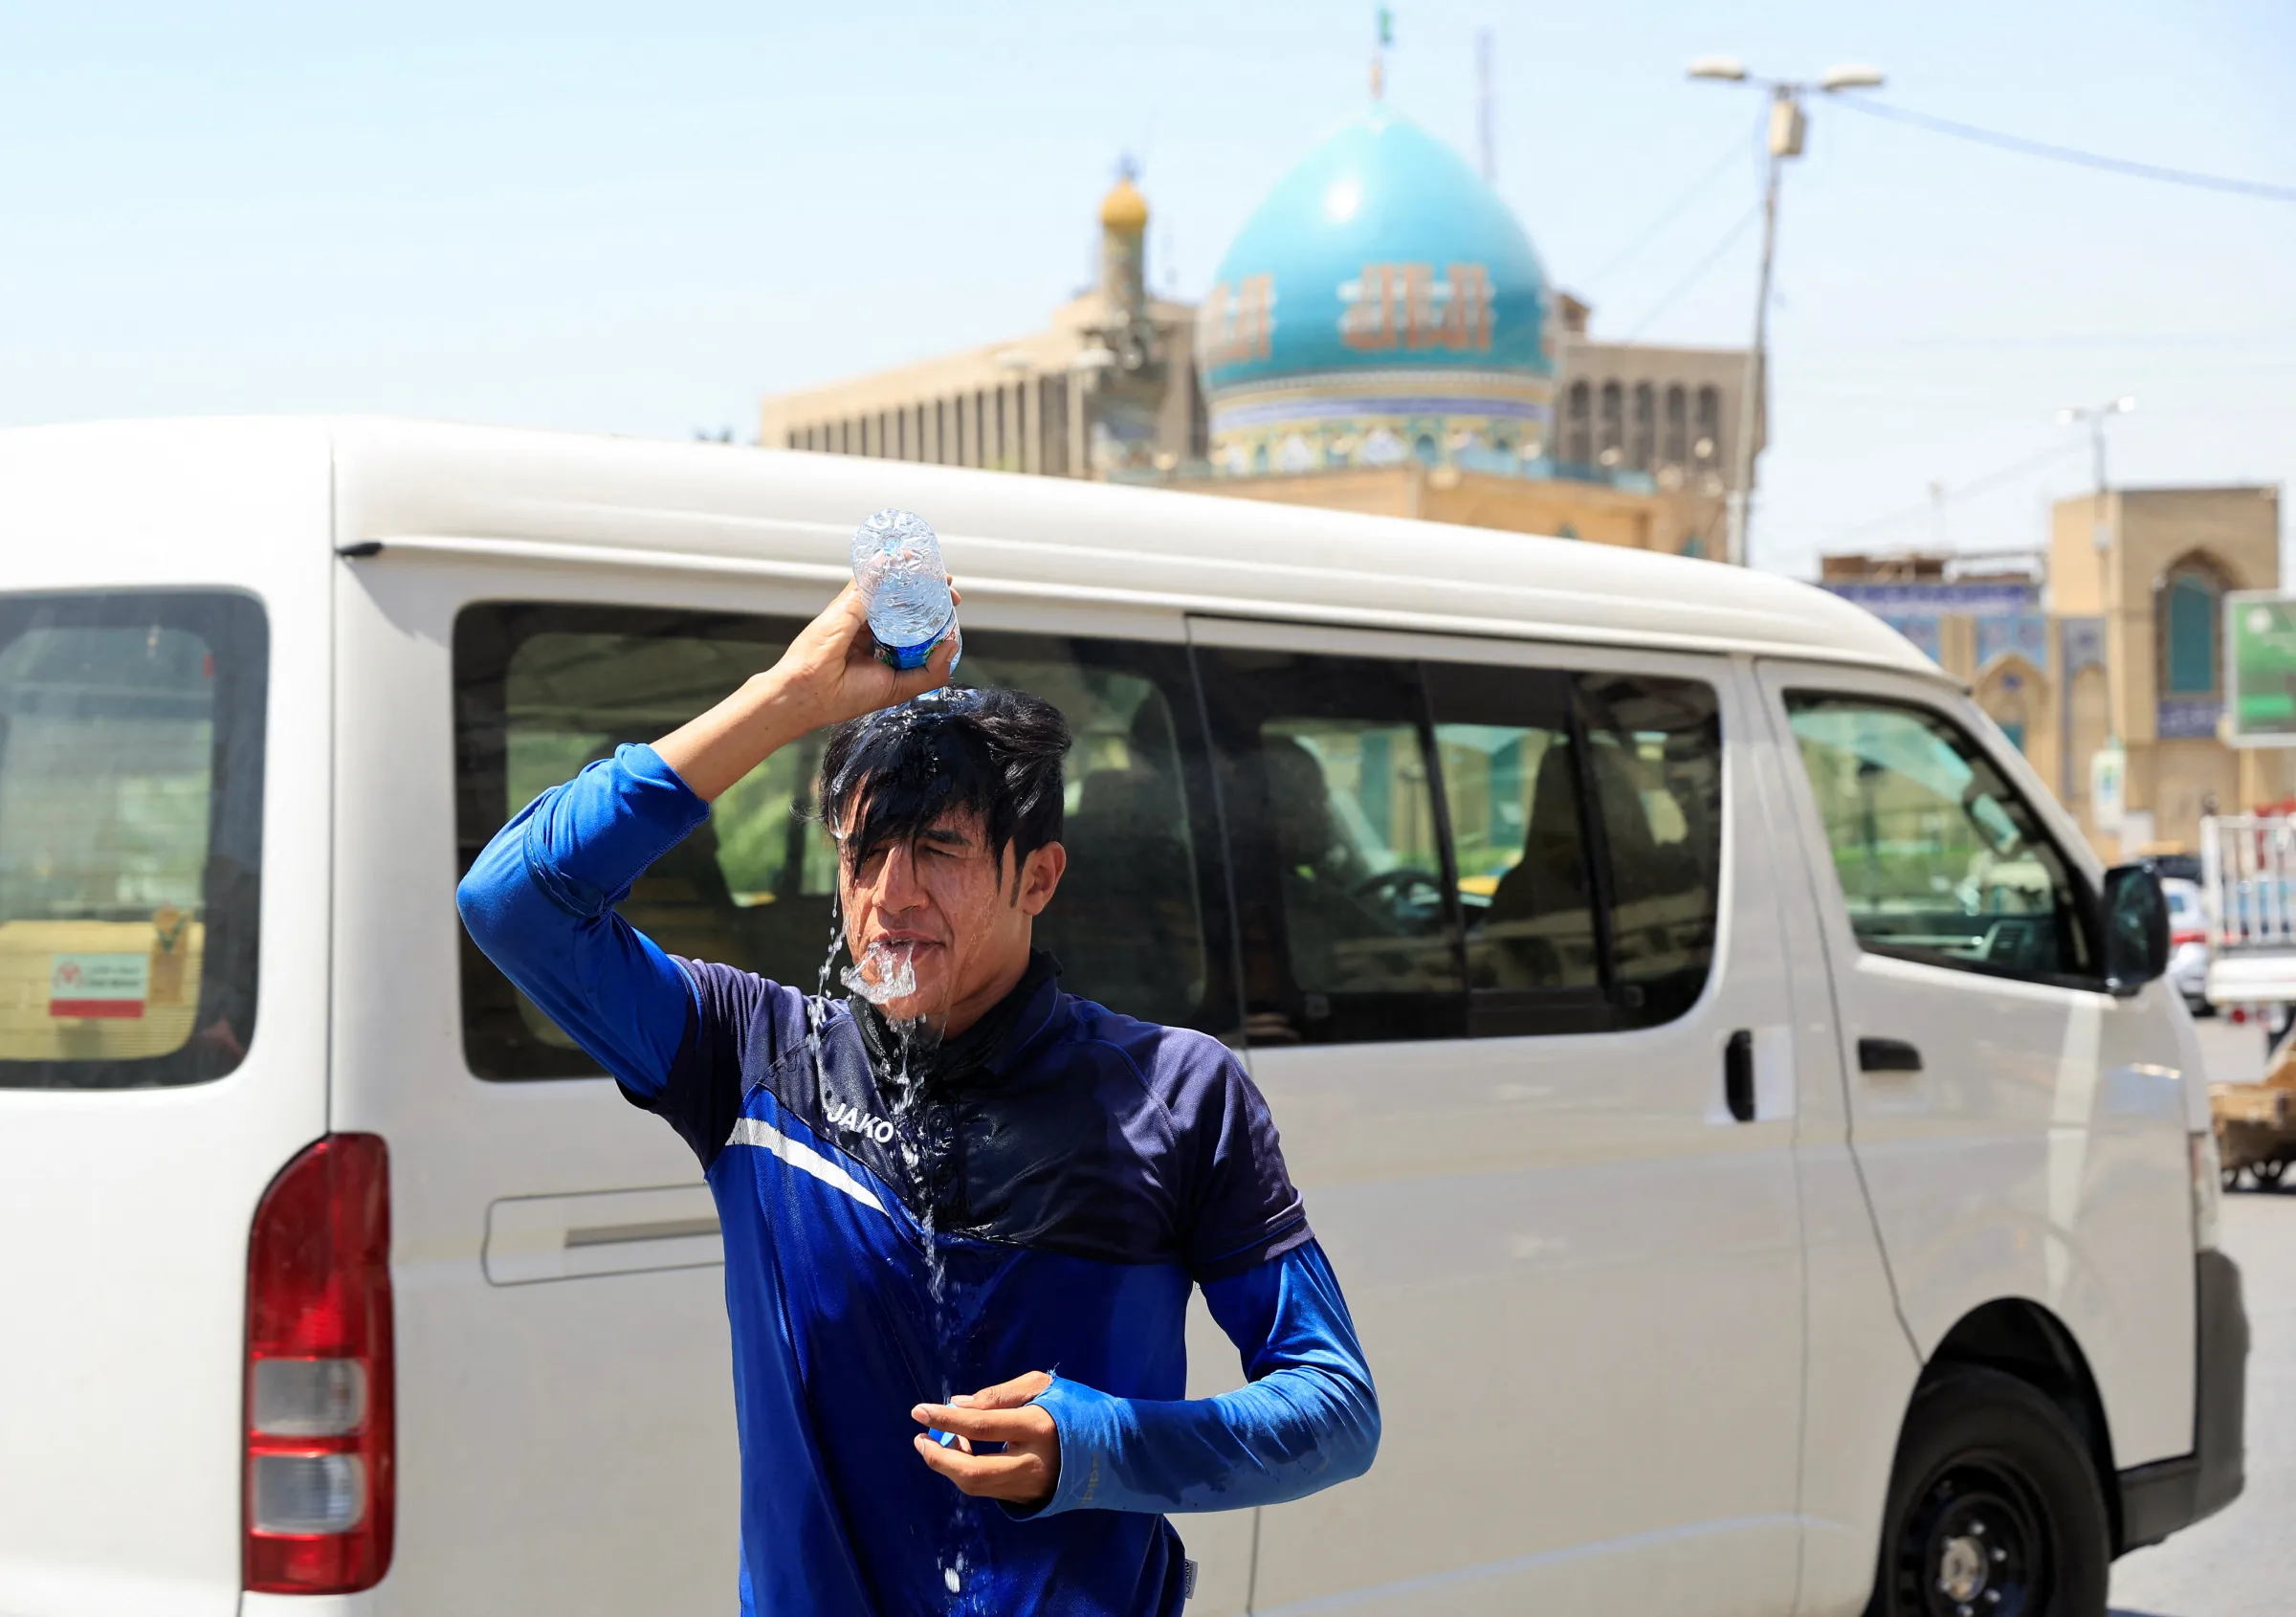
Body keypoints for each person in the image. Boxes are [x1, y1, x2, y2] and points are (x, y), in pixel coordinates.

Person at [456, 584, 1379, 1617]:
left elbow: (1334, 1409)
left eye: (937, 849)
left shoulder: (1175, 1092)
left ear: (1039, 877)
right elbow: (514, 902)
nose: (889, 895)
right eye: (861, 851)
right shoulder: (752, 1058)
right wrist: (785, 699)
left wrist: (1099, 1446)